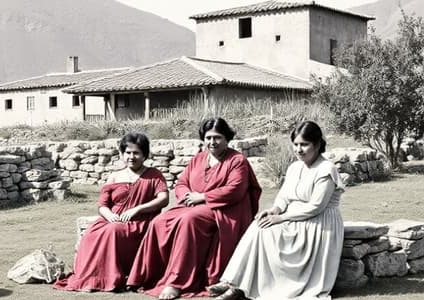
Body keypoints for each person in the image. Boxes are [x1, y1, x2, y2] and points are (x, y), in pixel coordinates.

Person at [126, 118, 262, 299]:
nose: (212, 142)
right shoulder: (198, 159)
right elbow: (182, 183)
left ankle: (177, 282)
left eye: (217, 137)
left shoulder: (237, 160)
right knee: (159, 221)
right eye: (208, 138)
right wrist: (187, 196)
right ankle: (147, 275)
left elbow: (235, 190)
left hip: (224, 209)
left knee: (189, 221)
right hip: (193, 205)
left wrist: (204, 197)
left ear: (226, 138)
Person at [208, 121, 344, 300]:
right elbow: (284, 196)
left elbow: (316, 206)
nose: (299, 149)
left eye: (304, 144)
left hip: (317, 223)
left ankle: (239, 287)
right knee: (258, 225)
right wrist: (274, 210)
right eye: (295, 144)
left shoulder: (326, 169)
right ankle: (233, 283)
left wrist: (282, 218)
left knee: (268, 233)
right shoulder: (295, 167)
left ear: (317, 145)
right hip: (294, 218)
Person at [54, 132, 169, 292]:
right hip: (111, 219)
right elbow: (102, 205)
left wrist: (138, 208)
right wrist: (109, 216)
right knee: (91, 234)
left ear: (144, 155)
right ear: (122, 154)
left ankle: (108, 279)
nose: (131, 156)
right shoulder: (114, 176)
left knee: (113, 231)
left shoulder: (154, 175)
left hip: (139, 221)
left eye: (136, 153)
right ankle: (89, 279)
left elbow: (163, 199)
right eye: (127, 153)